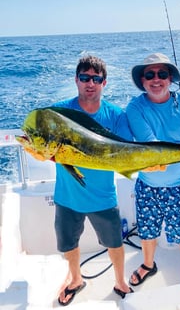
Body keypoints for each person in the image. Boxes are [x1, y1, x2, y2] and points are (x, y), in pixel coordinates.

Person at [52, 55, 134, 305]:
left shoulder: (116, 116)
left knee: (115, 243)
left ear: (104, 83)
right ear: (76, 80)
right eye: (85, 78)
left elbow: (129, 150)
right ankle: (76, 279)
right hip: (67, 196)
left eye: (96, 79)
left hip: (103, 197)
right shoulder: (59, 113)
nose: (90, 83)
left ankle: (120, 281)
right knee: (68, 244)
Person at [126, 53, 180, 286]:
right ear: (142, 81)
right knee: (147, 232)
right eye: (149, 74)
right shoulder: (135, 107)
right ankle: (148, 265)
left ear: (170, 78)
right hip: (147, 185)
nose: (156, 79)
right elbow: (152, 147)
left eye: (162, 73)